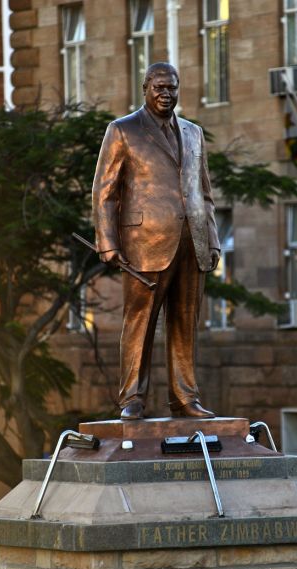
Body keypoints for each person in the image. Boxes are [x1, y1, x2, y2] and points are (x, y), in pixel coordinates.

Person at [92, 62, 221, 420]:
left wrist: (212, 241)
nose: (166, 94)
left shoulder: (194, 133)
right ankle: (132, 397)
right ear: (145, 88)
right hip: (144, 246)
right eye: (159, 88)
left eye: (172, 88)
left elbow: (204, 193)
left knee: (185, 323)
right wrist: (107, 242)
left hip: (191, 244)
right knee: (140, 322)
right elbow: (104, 192)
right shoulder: (122, 130)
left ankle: (185, 398)